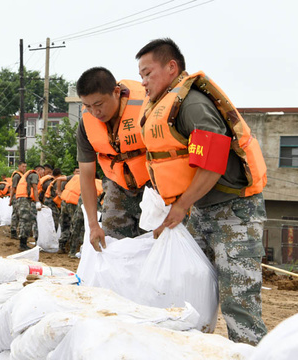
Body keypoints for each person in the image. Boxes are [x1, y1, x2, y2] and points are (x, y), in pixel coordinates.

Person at [135, 38, 268, 345]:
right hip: (202, 209)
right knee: (189, 290)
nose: (143, 82)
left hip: (235, 213)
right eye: (140, 75)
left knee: (239, 305)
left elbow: (212, 164)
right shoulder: (166, 105)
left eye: (148, 73)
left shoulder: (191, 104)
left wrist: (181, 206)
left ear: (171, 67)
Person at [76, 67, 150, 252]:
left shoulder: (147, 106)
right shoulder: (86, 124)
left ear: (116, 92)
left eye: (98, 104)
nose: (95, 112)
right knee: (112, 246)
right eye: (87, 106)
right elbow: (86, 175)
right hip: (118, 185)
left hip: (153, 186)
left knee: (157, 247)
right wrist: (93, 225)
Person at [15, 165, 44, 251]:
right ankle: (22, 244)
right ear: (38, 170)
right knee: (25, 221)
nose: (43, 173)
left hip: (21, 198)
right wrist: (37, 201)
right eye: (42, 171)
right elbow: (35, 188)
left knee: (24, 220)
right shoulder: (34, 175)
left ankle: (23, 243)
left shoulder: (28, 175)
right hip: (24, 199)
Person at [9, 162, 27, 239]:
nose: (24, 168)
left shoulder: (22, 176)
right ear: (19, 166)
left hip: (20, 196)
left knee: (18, 214)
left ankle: (17, 231)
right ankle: (13, 231)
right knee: (15, 214)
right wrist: (11, 198)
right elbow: (13, 188)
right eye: (23, 166)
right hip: (16, 196)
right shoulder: (17, 176)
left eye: (25, 167)